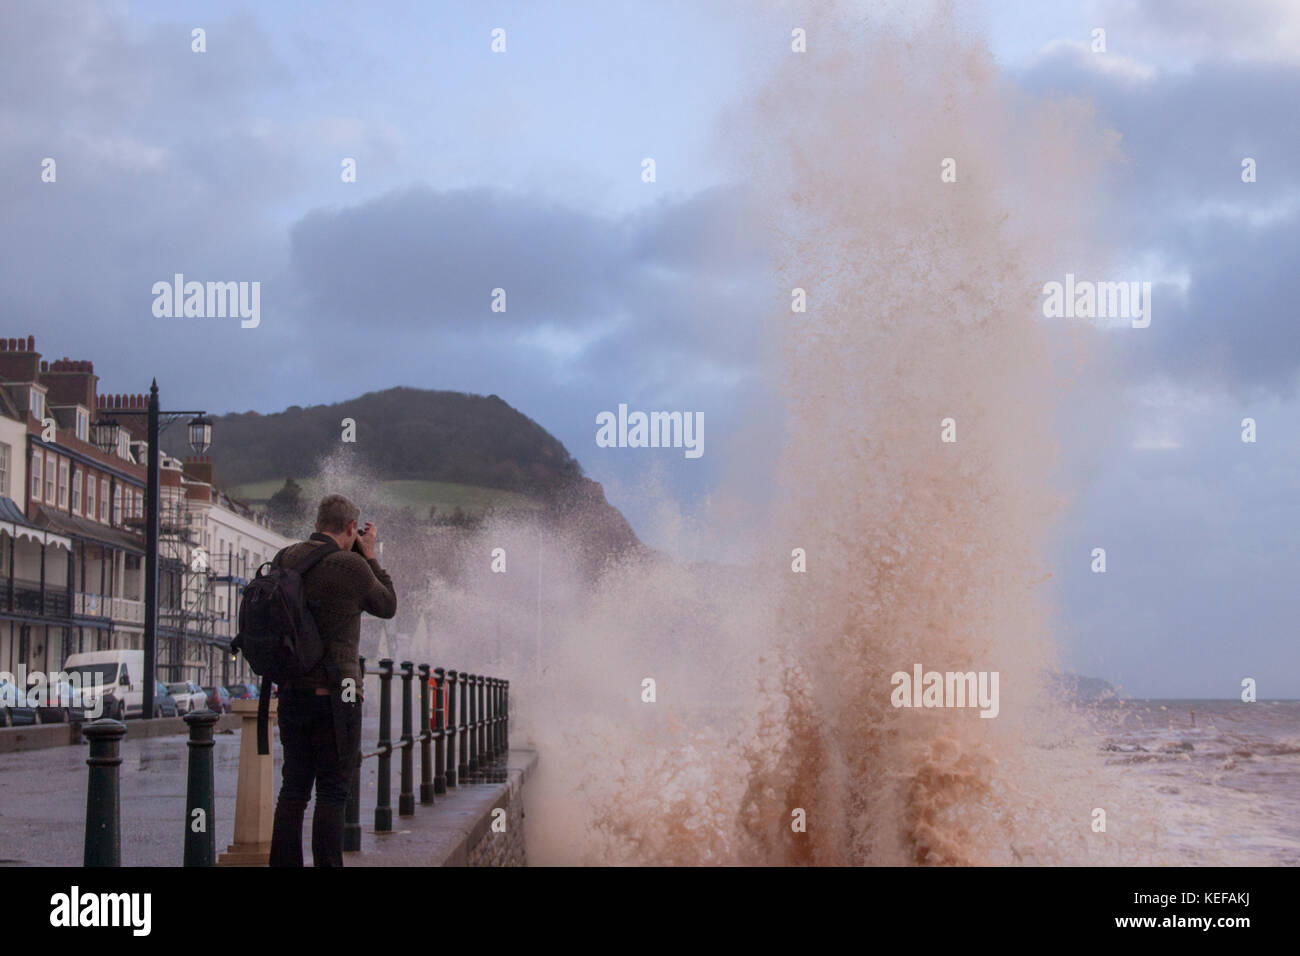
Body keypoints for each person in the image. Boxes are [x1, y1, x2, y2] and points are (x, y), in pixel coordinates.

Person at [269, 493, 397, 867]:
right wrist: (370, 555)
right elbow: (387, 605)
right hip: (336, 694)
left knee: (293, 790)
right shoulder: (351, 567)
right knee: (331, 790)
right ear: (351, 529)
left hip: (291, 691)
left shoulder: (286, 557)